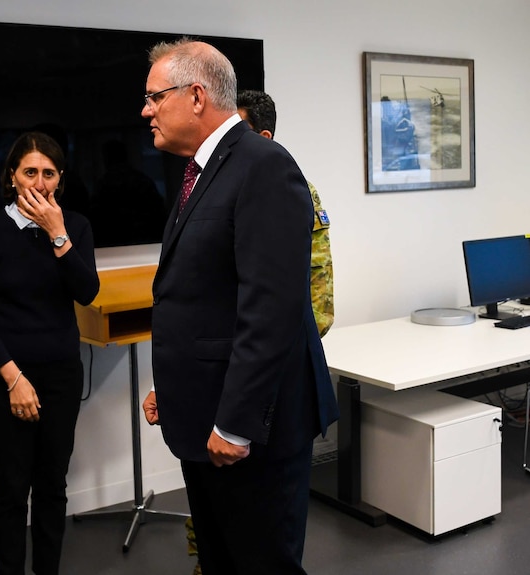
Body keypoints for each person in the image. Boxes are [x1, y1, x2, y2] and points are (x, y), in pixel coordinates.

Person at [139, 39, 339, 575]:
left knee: (260, 563)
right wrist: (173, 384)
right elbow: (207, 299)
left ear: (197, 95)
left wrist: (235, 424)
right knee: (221, 560)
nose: (146, 110)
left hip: (252, 429)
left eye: (155, 96)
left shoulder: (263, 166)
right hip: (208, 412)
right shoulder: (203, 171)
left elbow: (269, 310)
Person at [184, 89, 337, 574]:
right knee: (222, 540)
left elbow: (310, 302)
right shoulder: (207, 183)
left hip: (268, 389)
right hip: (228, 386)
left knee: (267, 548)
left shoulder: (276, 181)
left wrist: (251, 385)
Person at [0, 131, 100, 575]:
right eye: (30, 172)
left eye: (49, 173)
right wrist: (14, 379)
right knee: (10, 487)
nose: (39, 182)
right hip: (4, 381)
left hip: (61, 376)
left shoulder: (75, 226)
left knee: (52, 487)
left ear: (59, 180)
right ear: (12, 177)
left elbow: (87, 291)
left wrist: (58, 235)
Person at [236, 89, 334, 337]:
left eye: (239, 133)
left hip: (279, 338)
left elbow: (317, 264)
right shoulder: (230, 187)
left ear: (264, 137)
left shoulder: (292, 188)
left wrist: (308, 334)